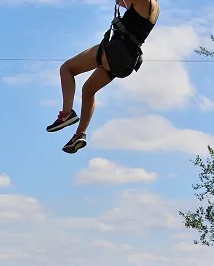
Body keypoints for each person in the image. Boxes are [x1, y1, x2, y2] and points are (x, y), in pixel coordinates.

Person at [47, 0, 160, 154]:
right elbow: (123, 3)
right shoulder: (154, 8)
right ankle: (80, 134)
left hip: (115, 52)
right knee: (88, 90)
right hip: (126, 61)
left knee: (67, 69)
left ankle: (66, 114)